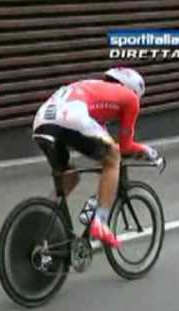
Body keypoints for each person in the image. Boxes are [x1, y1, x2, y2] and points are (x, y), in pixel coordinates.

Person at [32, 67, 159, 248]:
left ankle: (44, 217)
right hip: (72, 117)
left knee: (70, 177)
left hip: (42, 121)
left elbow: (100, 137)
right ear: (133, 90)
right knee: (113, 158)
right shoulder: (130, 98)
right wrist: (148, 152)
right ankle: (100, 222)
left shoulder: (94, 88)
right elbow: (125, 146)